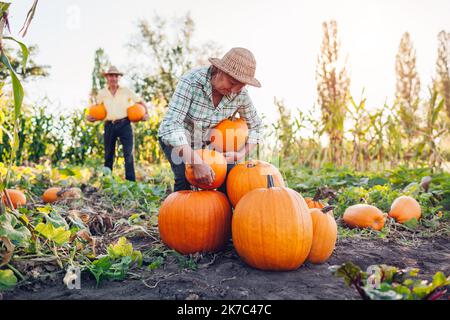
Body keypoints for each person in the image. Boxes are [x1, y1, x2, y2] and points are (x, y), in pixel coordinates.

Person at [158, 47, 263, 193]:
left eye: (240, 87)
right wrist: (196, 162)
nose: (234, 91)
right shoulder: (191, 81)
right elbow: (171, 125)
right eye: (232, 83)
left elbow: (256, 127)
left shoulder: (241, 95)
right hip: (179, 140)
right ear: (219, 70)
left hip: (208, 145)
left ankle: (222, 213)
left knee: (228, 181)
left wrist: (240, 154)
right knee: (185, 179)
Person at [86, 65, 149, 181]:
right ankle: (107, 181)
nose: (113, 78)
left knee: (128, 155)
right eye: (111, 76)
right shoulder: (102, 93)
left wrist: (146, 114)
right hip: (109, 125)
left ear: (118, 78)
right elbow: (99, 111)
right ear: (107, 78)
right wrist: (91, 118)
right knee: (108, 155)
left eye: (115, 76)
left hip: (125, 124)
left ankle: (131, 182)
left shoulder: (126, 91)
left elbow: (140, 102)